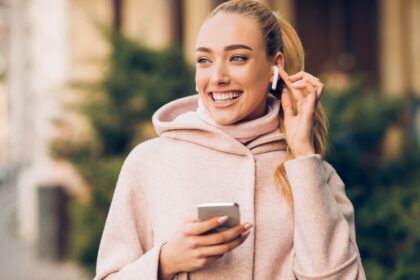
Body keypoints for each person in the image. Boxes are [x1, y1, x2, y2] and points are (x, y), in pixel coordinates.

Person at [94, 0, 366, 279]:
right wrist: (166, 262)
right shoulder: (149, 162)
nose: (217, 77)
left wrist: (303, 155)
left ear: (275, 65)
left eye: (237, 58)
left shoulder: (314, 174)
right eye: (204, 60)